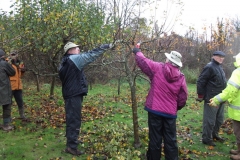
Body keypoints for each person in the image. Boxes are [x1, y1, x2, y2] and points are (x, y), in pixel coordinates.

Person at [59, 41, 115, 156]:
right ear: (70, 51)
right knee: (74, 120)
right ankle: (72, 147)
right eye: (76, 48)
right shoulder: (74, 59)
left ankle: (72, 141)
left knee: (72, 119)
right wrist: (105, 47)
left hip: (70, 94)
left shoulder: (64, 61)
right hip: (73, 94)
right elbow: (90, 55)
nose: (78, 49)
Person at [132, 47, 188, 160]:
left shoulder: (158, 68)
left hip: (155, 111)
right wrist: (174, 107)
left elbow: (144, 62)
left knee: (155, 139)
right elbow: (183, 97)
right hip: (170, 114)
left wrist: (137, 51)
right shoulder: (181, 78)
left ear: (168, 60)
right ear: (177, 64)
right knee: (171, 140)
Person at [209, 53, 240, 160]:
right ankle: (239, 150)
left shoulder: (238, 72)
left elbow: (231, 90)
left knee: (238, 131)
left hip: (239, 111)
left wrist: (217, 99)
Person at [196, 51, 227, 146]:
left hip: (220, 98)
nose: (221, 58)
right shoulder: (209, 67)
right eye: (219, 56)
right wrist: (201, 95)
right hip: (211, 99)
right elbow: (201, 81)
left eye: (222, 57)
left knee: (219, 119)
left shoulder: (219, 67)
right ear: (214, 57)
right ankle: (206, 138)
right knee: (210, 120)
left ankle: (214, 134)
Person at [0, 49, 16, 131]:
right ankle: (6, 125)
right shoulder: (4, 64)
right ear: (3, 56)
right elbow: (13, 72)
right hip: (4, 90)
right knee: (6, 106)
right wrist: (11, 62)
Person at [9, 50, 26, 119]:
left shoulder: (20, 62)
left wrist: (23, 70)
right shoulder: (8, 62)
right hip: (10, 86)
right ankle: (8, 117)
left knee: (20, 102)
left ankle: (22, 116)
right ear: (10, 55)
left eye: (14, 54)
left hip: (18, 86)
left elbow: (21, 75)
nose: (13, 56)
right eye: (12, 54)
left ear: (17, 55)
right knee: (9, 103)